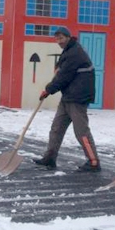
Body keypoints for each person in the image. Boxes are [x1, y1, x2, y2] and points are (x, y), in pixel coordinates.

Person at [33, 27, 101, 172]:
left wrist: (48, 90)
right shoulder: (69, 50)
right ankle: (50, 159)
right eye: (57, 39)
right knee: (56, 128)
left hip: (78, 98)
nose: (59, 41)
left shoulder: (75, 52)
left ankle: (94, 162)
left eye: (61, 38)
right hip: (68, 97)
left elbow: (64, 76)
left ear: (68, 37)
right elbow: (61, 71)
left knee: (81, 131)